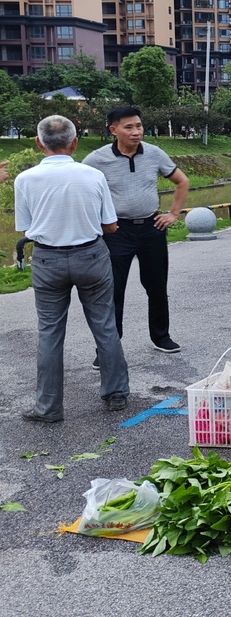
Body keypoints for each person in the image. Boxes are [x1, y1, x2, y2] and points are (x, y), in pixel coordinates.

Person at [14, 116, 129, 422]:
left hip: (47, 260)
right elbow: (111, 226)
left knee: (50, 333)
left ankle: (48, 408)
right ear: (75, 142)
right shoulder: (92, 176)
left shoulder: (24, 180)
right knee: (104, 324)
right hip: (91, 255)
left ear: (39, 143)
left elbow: (25, 227)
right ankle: (115, 393)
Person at [83, 106, 190, 357]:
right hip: (116, 231)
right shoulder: (97, 159)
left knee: (156, 286)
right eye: (129, 127)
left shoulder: (154, 153)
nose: (136, 132)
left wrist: (173, 213)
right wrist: (97, 222)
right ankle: (107, 348)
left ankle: (161, 336)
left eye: (139, 126)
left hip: (151, 228)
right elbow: (80, 188)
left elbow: (182, 181)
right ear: (113, 130)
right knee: (112, 290)